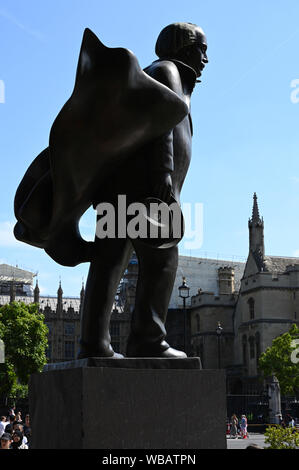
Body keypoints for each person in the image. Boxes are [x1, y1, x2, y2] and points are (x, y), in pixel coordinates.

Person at [77, 22, 209, 358]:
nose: (205, 59)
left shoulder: (151, 73)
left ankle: (94, 344)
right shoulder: (167, 70)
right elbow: (160, 117)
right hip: (146, 186)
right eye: (201, 49)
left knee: (109, 260)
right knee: (163, 257)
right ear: (183, 47)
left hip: (121, 185)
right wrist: (164, 172)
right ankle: (148, 339)